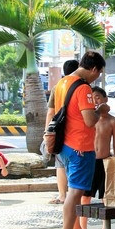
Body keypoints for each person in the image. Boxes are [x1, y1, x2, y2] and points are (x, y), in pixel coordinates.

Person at [45, 51, 106, 229]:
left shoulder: (62, 83)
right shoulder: (83, 88)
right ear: (94, 69)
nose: (97, 77)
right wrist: (100, 111)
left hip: (65, 145)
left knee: (74, 192)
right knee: (75, 192)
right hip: (79, 146)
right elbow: (89, 120)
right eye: (98, 73)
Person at [78, 86, 115, 229]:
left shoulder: (112, 121)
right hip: (89, 161)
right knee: (85, 196)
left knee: (105, 198)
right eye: (92, 98)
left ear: (105, 99)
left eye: (98, 97)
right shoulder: (89, 120)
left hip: (105, 161)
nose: (95, 101)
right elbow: (81, 136)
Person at [47, 59, 79, 205]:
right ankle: (75, 195)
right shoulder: (81, 85)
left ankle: (62, 195)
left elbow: (51, 112)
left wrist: (47, 131)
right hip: (75, 132)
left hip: (59, 131)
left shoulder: (57, 87)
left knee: (60, 163)